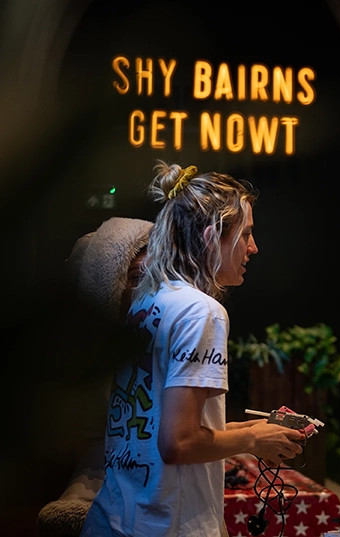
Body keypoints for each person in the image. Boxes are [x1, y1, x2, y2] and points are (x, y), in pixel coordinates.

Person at [80, 162, 305, 537]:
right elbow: (179, 443)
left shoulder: (147, 300)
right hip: (164, 527)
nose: (254, 247)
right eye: (246, 234)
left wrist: (251, 431)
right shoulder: (202, 312)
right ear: (211, 235)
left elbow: (161, 427)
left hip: (113, 519)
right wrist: (252, 440)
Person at [38, 217, 153, 537]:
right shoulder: (80, 362)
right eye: (134, 277)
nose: (148, 286)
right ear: (104, 286)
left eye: (154, 274)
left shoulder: (159, 338)